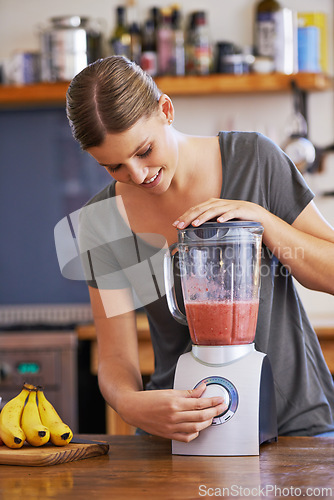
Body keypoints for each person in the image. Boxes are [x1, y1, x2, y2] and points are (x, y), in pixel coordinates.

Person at [65, 55, 334, 441]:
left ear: (166, 110)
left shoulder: (256, 161)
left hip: (297, 424)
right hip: (181, 432)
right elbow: (114, 356)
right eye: (114, 167)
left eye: (143, 151)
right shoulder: (101, 221)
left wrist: (264, 221)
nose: (137, 175)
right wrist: (129, 403)